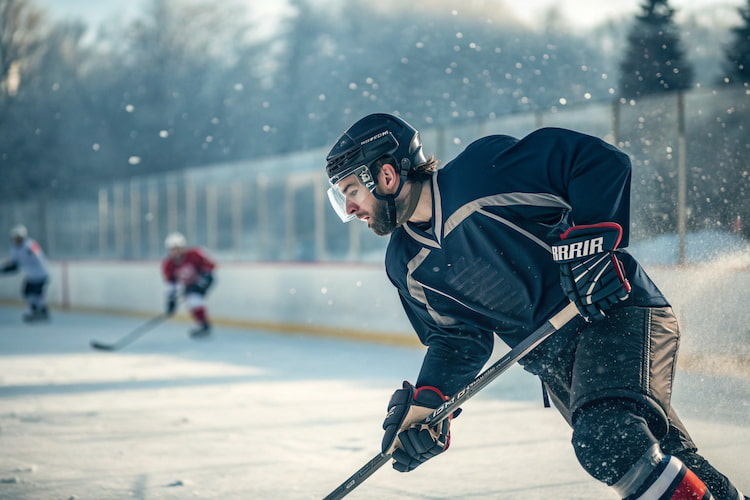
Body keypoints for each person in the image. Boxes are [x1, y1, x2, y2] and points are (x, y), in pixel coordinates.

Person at [323, 113, 747, 500]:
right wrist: (427, 407)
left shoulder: (480, 174)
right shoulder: (405, 264)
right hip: (556, 360)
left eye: (352, 192)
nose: (352, 208)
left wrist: (590, 244)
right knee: (655, 455)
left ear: (386, 173)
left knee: (606, 441)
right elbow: (456, 340)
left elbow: (594, 162)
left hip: (613, 313)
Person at [161, 232, 216, 338]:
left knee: (194, 299)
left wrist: (203, 281)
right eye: (172, 249)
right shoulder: (168, 264)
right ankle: (203, 325)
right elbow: (171, 284)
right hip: (189, 285)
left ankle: (204, 326)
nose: (175, 251)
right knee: (191, 302)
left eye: (177, 248)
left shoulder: (194, 255)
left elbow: (210, 268)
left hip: (203, 281)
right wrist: (171, 300)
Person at [0, 224, 51, 322]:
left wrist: (29, 254)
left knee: (35, 293)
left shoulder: (31, 245)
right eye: (14, 238)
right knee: (29, 293)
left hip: (41, 272)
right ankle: (39, 309)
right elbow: (14, 265)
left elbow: (38, 256)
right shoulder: (14, 248)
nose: (16, 239)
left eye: (17, 237)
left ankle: (38, 310)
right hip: (31, 274)